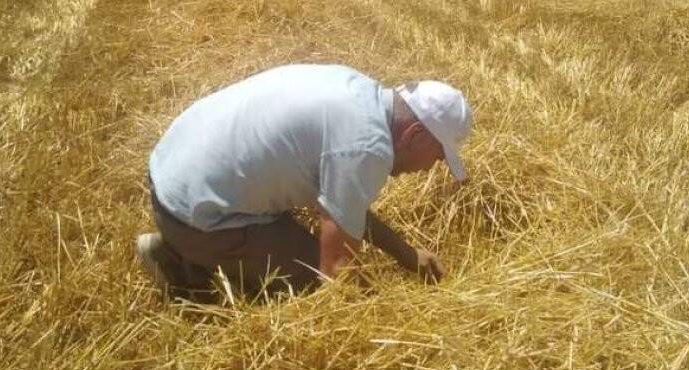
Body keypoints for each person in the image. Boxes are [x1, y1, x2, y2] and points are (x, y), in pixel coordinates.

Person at [136, 63, 472, 299]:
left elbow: (344, 209)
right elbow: (337, 276)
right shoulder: (366, 147)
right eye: (439, 156)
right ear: (414, 135)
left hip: (171, 180)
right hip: (194, 217)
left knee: (303, 241)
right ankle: (181, 264)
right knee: (309, 278)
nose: (431, 168)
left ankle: (182, 247)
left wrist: (406, 254)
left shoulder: (356, 92)